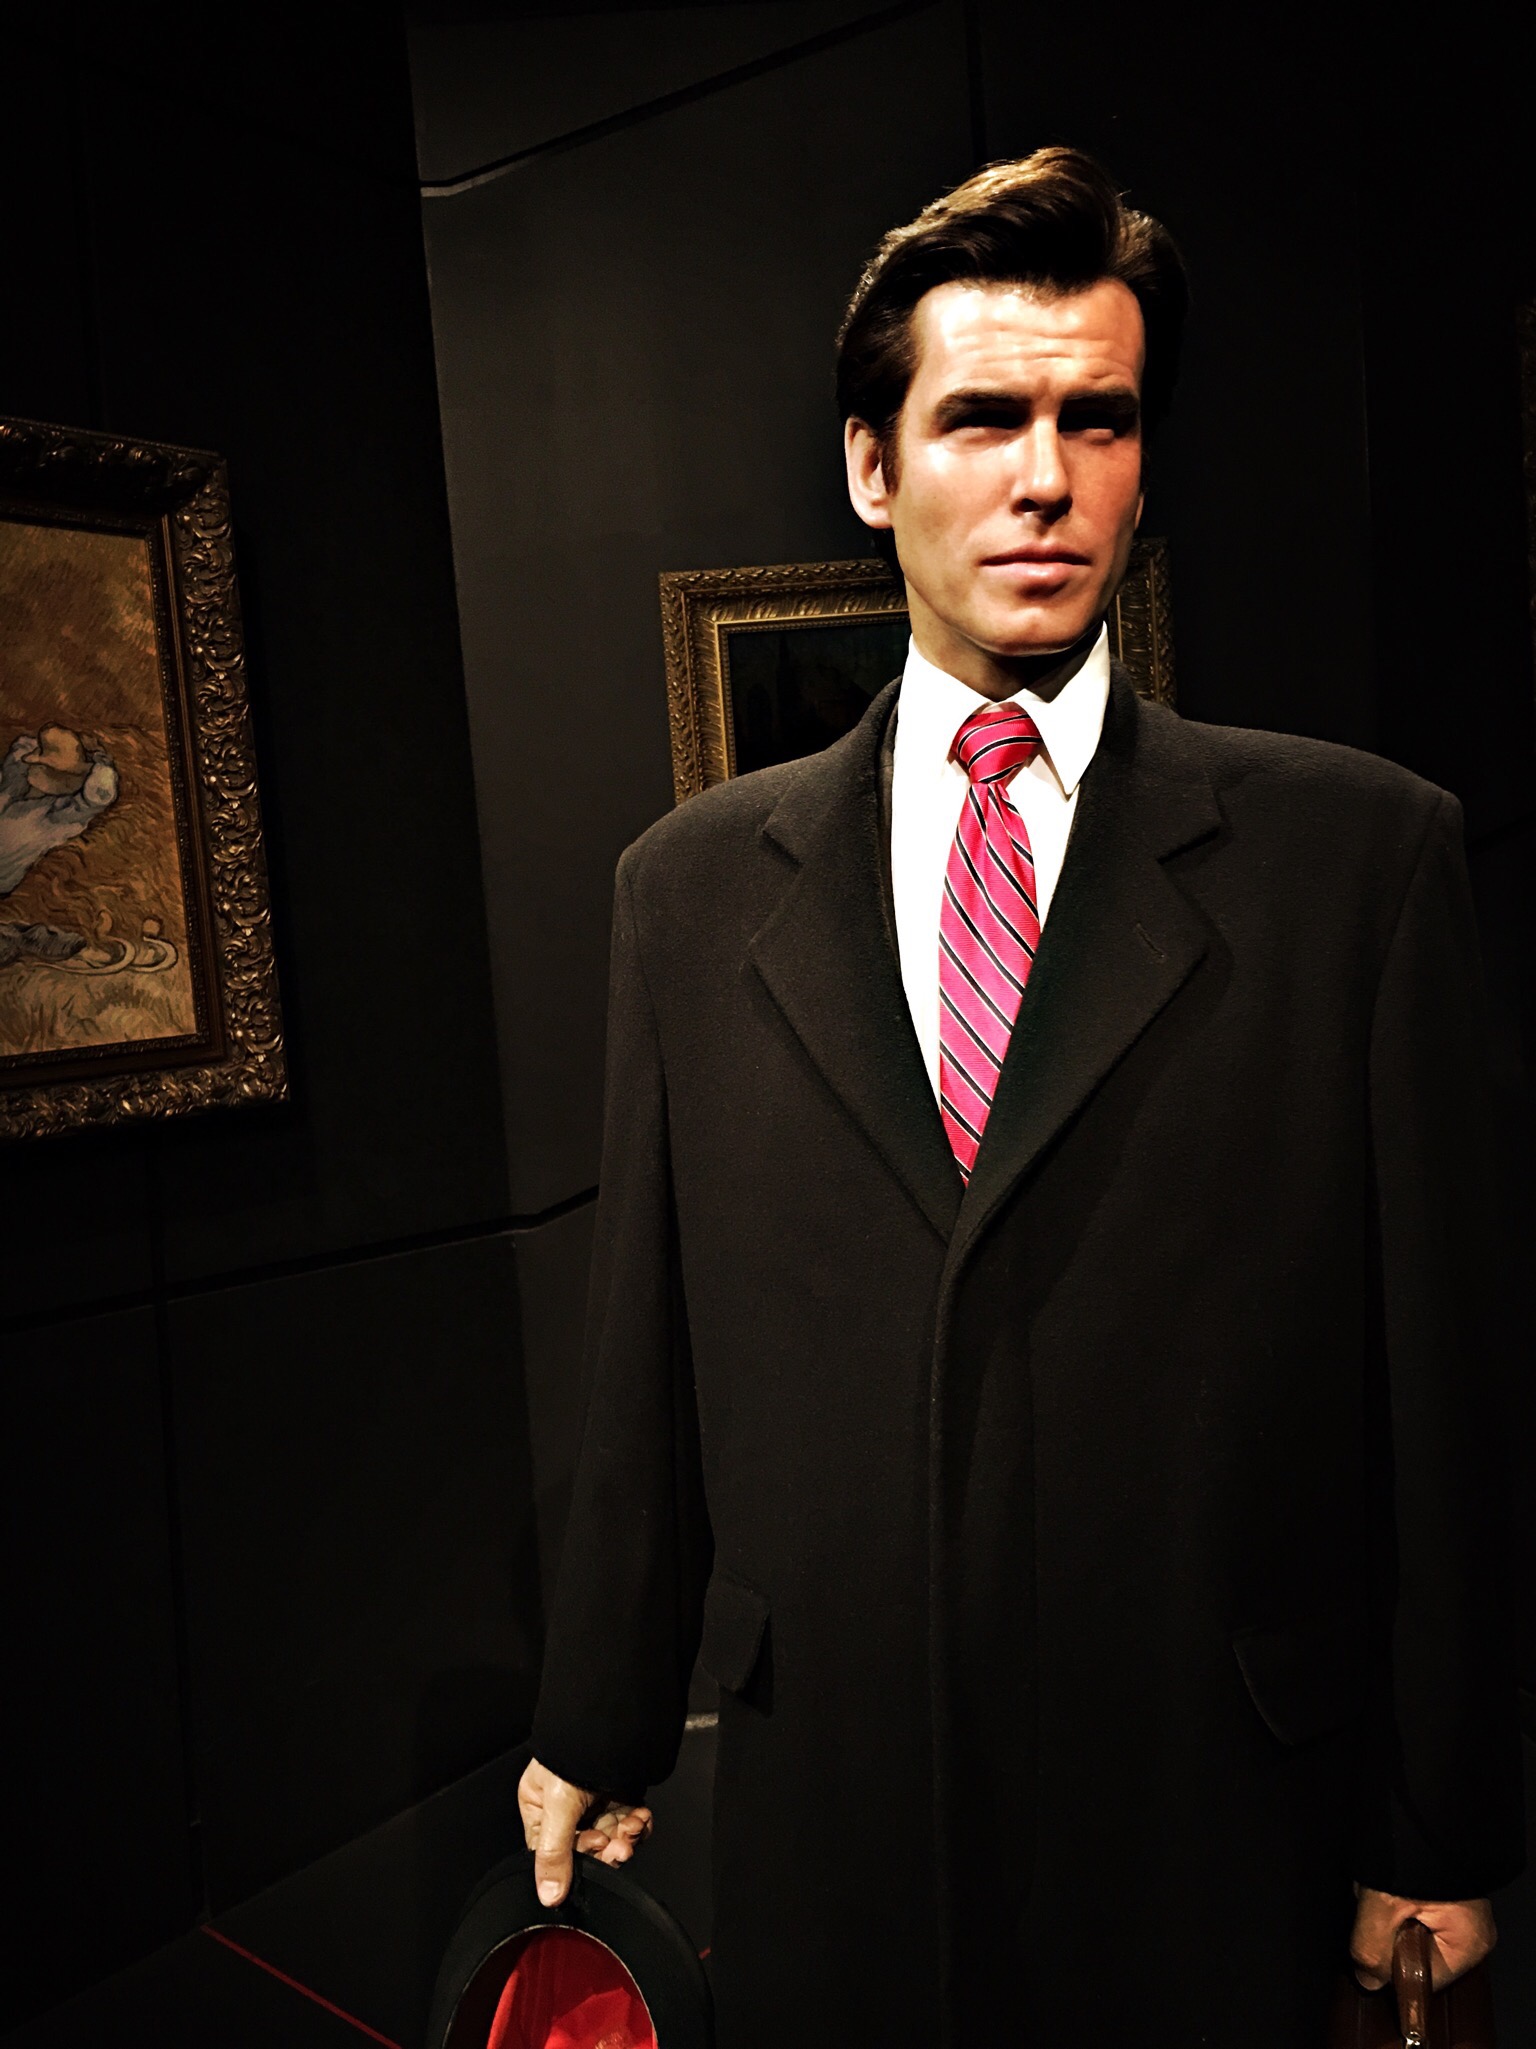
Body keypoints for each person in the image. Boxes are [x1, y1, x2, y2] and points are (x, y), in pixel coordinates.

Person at [518, 148, 1523, 2045]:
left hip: (1213, 1814)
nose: (1047, 476)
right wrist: (597, 1712)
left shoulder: (1357, 862)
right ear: (871, 465)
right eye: (983, 417)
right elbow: (644, 1348)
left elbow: (1450, 1396)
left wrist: (1444, 1823)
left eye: (1099, 419)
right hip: (841, 1812)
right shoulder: (691, 890)